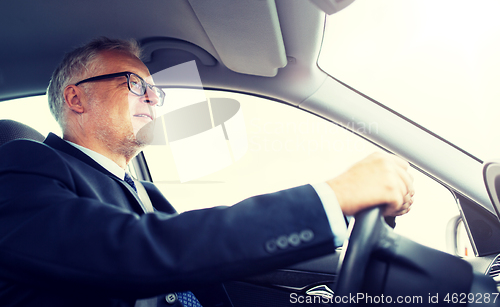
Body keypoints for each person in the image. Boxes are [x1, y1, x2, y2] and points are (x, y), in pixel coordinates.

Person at [0, 37, 414, 307]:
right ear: (76, 98)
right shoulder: (25, 166)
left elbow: (196, 252)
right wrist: (330, 197)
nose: (153, 100)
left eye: (155, 90)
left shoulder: (146, 193)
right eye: (134, 83)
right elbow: (133, 250)